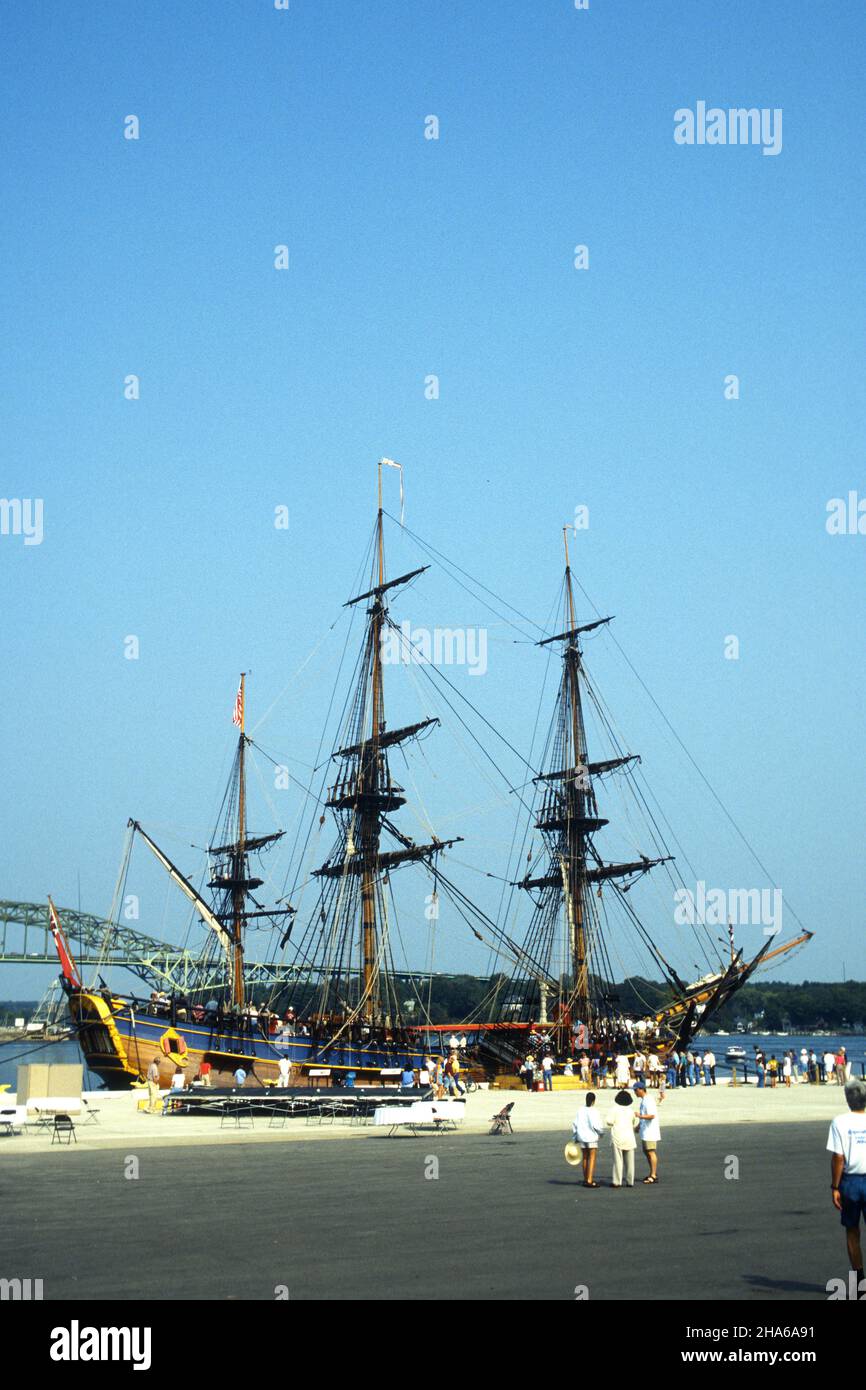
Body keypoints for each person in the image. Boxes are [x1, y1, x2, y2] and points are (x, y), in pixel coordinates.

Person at [827, 1078, 866, 1297]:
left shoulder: (840, 1122)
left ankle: (860, 1283)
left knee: (852, 1231)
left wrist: (834, 1186)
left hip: (851, 1182)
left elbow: (838, 1158)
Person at [606, 1089, 638, 1188]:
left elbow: (609, 1121)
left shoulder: (614, 1109)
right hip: (629, 1137)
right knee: (630, 1161)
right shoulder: (631, 1110)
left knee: (618, 1160)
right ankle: (630, 1181)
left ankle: (617, 1181)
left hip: (618, 1136)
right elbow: (635, 1123)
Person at [572, 1092, 605, 1188]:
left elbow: (575, 1124)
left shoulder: (580, 1110)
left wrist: (575, 1137)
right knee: (592, 1157)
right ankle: (590, 1180)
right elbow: (597, 1125)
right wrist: (601, 1133)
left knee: (585, 1157)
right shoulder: (594, 1111)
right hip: (591, 1137)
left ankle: (586, 1178)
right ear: (594, 1101)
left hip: (581, 1136)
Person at [634, 1082, 660, 1184]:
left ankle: (653, 1175)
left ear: (641, 1089)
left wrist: (639, 1116)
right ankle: (652, 1173)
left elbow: (652, 1115)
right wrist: (638, 1126)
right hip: (645, 1130)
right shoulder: (644, 1100)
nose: (635, 1093)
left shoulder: (648, 1100)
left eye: (635, 1090)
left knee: (650, 1151)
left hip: (650, 1131)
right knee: (646, 1151)